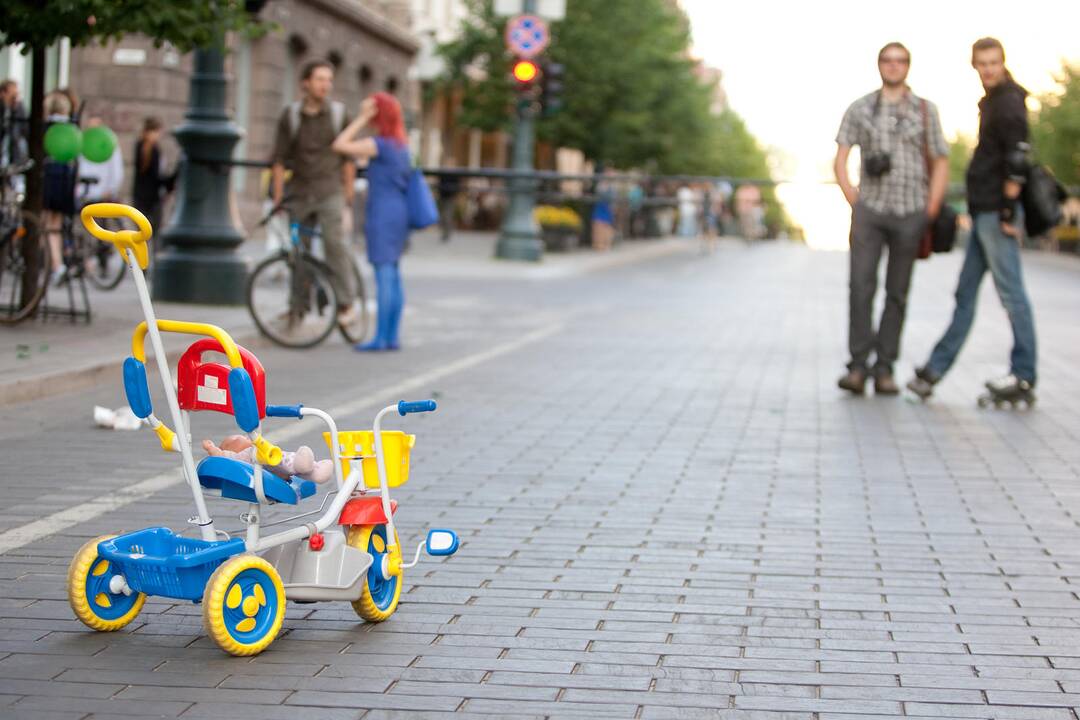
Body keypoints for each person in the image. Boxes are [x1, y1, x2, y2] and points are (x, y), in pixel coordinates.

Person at [907, 38, 1037, 402]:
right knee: (965, 293)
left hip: (997, 212)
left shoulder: (1008, 101)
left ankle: (1024, 376)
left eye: (994, 62)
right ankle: (934, 369)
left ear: (1003, 62)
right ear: (975, 65)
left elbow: (1018, 156)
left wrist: (1009, 210)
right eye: (982, 63)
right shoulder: (994, 101)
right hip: (984, 211)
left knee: (1012, 295)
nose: (989, 69)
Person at [834, 42, 948, 395]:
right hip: (870, 210)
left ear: (908, 66)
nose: (894, 66)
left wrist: (931, 207)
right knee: (860, 287)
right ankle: (858, 366)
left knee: (897, 292)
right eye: (887, 60)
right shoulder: (861, 108)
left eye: (900, 61)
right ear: (879, 64)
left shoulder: (925, 110)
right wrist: (854, 198)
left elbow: (941, 159)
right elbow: (840, 156)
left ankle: (884, 368)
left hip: (910, 210)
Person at [270, 60, 358, 326]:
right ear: (305, 83)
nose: (325, 85)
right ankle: (298, 307)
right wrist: (277, 198)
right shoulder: (291, 116)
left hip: (330, 191)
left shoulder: (339, 114)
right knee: (298, 253)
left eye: (329, 80)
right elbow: (279, 159)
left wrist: (349, 195)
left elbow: (349, 159)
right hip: (299, 193)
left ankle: (345, 304)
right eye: (320, 79)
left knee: (334, 244)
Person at [332, 92, 411, 351]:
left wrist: (362, 119)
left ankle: (380, 337)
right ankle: (391, 336)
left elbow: (340, 144)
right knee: (394, 273)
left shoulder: (379, 144)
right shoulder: (400, 144)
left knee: (384, 274)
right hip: (399, 212)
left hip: (383, 213)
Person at [42, 91, 77, 285]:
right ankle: (57, 261)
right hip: (66, 179)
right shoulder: (71, 127)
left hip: (49, 177)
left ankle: (55, 264)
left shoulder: (48, 127)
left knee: (48, 224)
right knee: (56, 224)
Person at [132, 117, 175, 239]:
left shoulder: (140, 146)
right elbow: (156, 177)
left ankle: (139, 258)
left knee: (140, 234)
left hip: (140, 196)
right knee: (154, 234)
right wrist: (171, 182)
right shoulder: (153, 150)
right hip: (153, 198)